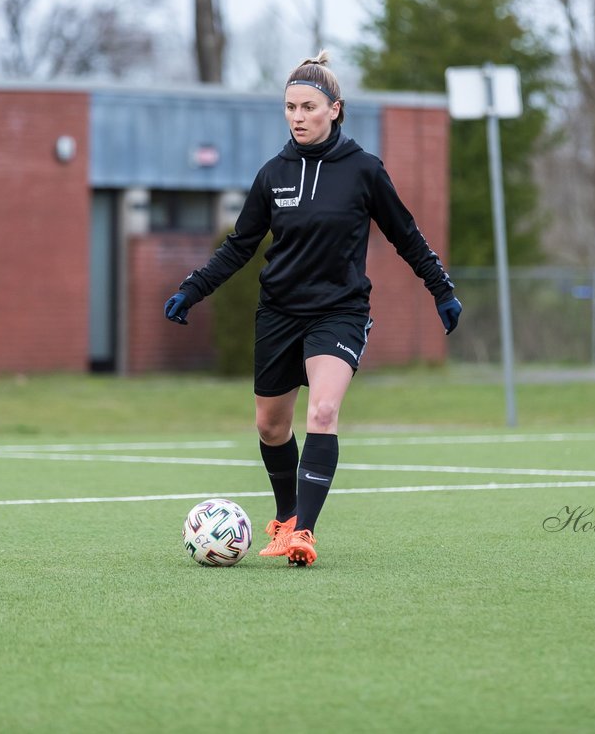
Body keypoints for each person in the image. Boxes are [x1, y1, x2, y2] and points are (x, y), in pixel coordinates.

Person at [163, 51, 463, 567]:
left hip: (339, 311)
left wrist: (441, 288)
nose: (298, 116)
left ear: (335, 109)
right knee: (270, 427)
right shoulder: (273, 173)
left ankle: (303, 532)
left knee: (323, 412)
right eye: (289, 107)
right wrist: (193, 288)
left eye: (308, 106)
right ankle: (285, 516)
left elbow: (405, 235)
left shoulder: (365, 171)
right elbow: (240, 245)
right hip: (279, 311)